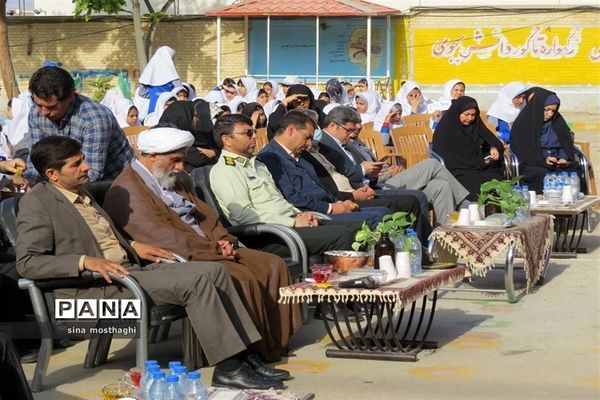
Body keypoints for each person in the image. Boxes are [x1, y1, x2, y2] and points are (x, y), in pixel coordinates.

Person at [17, 136, 288, 390]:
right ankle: (229, 368)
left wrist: (134, 245)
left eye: (83, 159)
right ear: (52, 174)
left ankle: (243, 356)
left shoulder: (80, 192)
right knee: (196, 280)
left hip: (126, 274)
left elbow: (98, 237)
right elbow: (28, 263)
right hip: (88, 294)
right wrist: (84, 261)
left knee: (216, 271)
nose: (86, 166)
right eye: (76, 164)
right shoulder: (37, 203)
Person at [102, 127, 302, 363]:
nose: (180, 167)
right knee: (241, 276)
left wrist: (224, 241)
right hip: (182, 256)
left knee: (272, 264)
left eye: (181, 160)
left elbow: (205, 216)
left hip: (210, 246)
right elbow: (159, 237)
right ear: (152, 156)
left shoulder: (174, 179)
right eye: (174, 161)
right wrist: (213, 250)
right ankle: (249, 354)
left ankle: (274, 344)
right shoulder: (127, 190)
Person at [209, 113, 360, 257]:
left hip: (287, 225)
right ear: (227, 140)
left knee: (355, 227)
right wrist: (293, 222)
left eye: (254, 131)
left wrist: (301, 215)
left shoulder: (257, 165)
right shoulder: (226, 171)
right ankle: (339, 281)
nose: (255, 136)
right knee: (341, 235)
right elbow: (243, 216)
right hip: (267, 236)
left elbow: (279, 201)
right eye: (248, 133)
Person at [258, 110, 405, 229]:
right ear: (291, 130)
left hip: (329, 205)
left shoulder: (299, 153)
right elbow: (293, 198)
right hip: (314, 214)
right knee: (378, 217)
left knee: (384, 212)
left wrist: (341, 203)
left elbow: (324, 186)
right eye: (307, 137)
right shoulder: (271, 158)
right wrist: (331, 208)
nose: (309, 143)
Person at [24, 66, 135, 184]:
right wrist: (30, 180)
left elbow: (91, 173)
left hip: (114, 183)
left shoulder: (94, 119)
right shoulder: (36, 113)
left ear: (71, 96)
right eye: (39, 105)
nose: (44, 112)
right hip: (67, 182)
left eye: (52, 107)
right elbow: (36, 159)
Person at [431, 96, 504, 201]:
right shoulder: (446, 129)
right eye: (466, 115)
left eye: (473, 115)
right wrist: (479, 163)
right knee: (473, 183)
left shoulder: (475, 124)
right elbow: (448, 157)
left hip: (479, 165)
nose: (470, 118)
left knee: (496, 179)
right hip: (458, 169)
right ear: (458, 113)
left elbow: (493, 141)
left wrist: (494, 149)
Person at [510, 88, 581, 193]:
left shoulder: (557, 123)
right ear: (538, 107)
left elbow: (566, 144)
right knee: (543, 174)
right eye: (546, 109)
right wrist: (543, 159)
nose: (550, 114)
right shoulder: (523, 124)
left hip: (556, 162)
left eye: (553, 111)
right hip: (532, 163)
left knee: (573, 173)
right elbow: (524, 150)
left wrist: (563, 157)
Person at [158, 100, 222, 171]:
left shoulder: (193, 135)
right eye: (194, 115)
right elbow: (199, 159)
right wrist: (214, 153)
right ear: (184, 117)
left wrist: (214, 152)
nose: (197, 119)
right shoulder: (170, 141)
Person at [134, 46, 181, 120]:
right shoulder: (172, 75)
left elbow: (142, 93)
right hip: (169, 108)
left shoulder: (148, 73)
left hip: (153, 109)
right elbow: (180, 92)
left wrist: (154, 95)